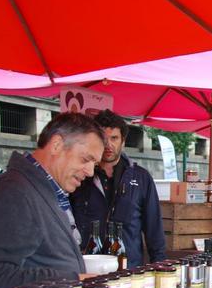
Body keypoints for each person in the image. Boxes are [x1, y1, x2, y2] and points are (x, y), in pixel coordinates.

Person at [0, 113, 104, 288]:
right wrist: (71, 279)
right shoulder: (14, 192)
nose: (90, 171)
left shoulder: (45, 189)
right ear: (56, 145)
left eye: (94, 164)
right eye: (86, 159)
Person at [70, 109, 165, 268]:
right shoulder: (80, 176)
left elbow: (154, 229)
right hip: (88, 269)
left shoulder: (141, 178)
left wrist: (160, 268)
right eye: (103, 138)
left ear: (123, 141)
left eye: (114, 138)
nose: (108, 144)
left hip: (128, 270)